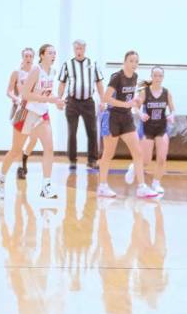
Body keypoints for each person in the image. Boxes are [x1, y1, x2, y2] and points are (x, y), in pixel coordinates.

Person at [0, 44, 64, 199]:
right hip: (26, 113)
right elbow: (25, 94)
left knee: (49, 147)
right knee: (15, 151)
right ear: (42, 55)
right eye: (50, 53)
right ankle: (0, 179)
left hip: (42, 114)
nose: (53, 55)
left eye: (54, 53)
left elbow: (48, 93)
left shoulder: (52, 71)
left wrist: (57, 101)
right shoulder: (35, 71)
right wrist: (50, 99)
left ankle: (46, 186)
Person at [97, 50, 159, 199]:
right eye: (131, 61)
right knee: (108, 153)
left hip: (126, 118)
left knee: (138, 152)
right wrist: (126, 104)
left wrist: (135, 100)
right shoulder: (116, 77)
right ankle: (102, 186)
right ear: (125, 62)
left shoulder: (135, 77)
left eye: (136, 61)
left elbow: (130, 97)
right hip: (112, 117)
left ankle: (141, 187)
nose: (134, 64)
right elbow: (106, 98)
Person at [124, 66, 176, 197]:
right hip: (147, 128)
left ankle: (156, 183)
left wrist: (171, 115)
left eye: (160, 76)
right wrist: (141, 114)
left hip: (161, 128)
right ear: (151, 77)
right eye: (155, 75)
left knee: (162, 159)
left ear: (163, 78)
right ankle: (133, 168)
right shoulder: (145, 92)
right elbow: (135, 107)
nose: (157, 78)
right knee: (145, 161)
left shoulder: (167, 93)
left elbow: (173, 110)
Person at [57, 39, 105, 170]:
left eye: (81, 48)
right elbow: (62, 83)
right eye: (76, 48)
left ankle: (92, 160)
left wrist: (103, 100)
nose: (79, 51)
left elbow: (99, 83)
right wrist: (58, 99)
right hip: (72, 102)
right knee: (72, 132)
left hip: (88, 102)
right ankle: (72, 160)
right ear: (74, 49)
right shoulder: (67, 64)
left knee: (92, 131)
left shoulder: (92, 64)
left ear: (85, 49)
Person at [6, 47, 38, 180]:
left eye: (30, 56)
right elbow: (9, 91)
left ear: (34, 58)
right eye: (26, 56)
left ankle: (25, 156)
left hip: (34, 110)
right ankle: (20, 167)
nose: (28, 58)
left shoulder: (36, 72)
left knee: (34, 138)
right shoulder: (16, 73)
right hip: (20, 110)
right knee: (18, 143)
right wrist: (16, 98)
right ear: (22, 57)